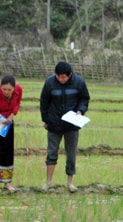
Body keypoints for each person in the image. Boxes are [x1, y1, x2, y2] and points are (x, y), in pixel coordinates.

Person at [40, 62, 90, 192]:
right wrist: (45, 120)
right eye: (58, 77)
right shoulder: (49, 83)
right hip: (54, 124)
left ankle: (70, 183)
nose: (61, 79)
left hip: (72, 125)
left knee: (71, 154)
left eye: (64, 77)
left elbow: (84, 99)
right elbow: (44, 102)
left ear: (70, 75)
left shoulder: (79, 83)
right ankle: (48, 182)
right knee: (51, 153)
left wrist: (80, 110)